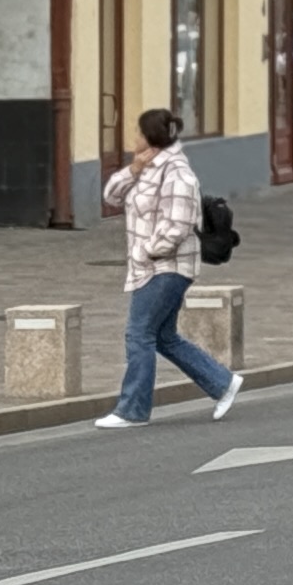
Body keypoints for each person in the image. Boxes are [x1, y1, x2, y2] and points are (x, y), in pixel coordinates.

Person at [93, 109, 241, 429]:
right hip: (152, 266)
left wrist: (148, 252)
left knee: (139, 334)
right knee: (162, 336)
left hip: (166, 266)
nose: (133, 137)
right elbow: (111, 195)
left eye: (137, 132)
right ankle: (222, 383)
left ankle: (132, 409)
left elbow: (177, 226)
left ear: (151, 137)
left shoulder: (177, 174)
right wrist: (134, 167)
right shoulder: (148, 169)